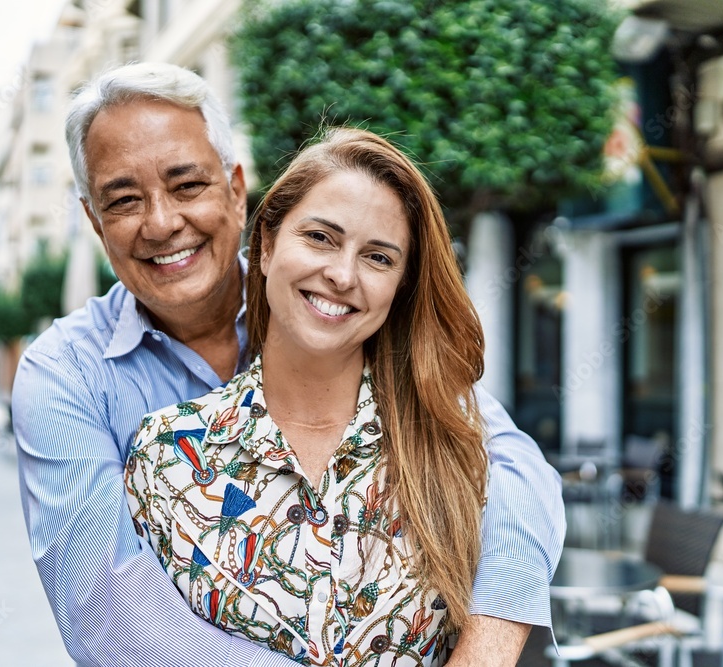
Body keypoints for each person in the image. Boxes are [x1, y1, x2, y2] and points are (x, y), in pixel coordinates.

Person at [12, 62, 564, 667]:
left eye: (187, 185)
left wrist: (487, 642)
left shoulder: (329, 310)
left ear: (236, 189)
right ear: (93, 220)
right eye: (123, 200)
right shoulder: (72, 378)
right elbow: (111, 621)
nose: (164, 222)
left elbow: (507, 459)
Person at [127, 127, 489, 665]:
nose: (341, 274)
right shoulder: (166, 455)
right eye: (320, 237)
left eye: (379, 258)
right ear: (267, 245)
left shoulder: (451, 443)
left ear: (400, 287)